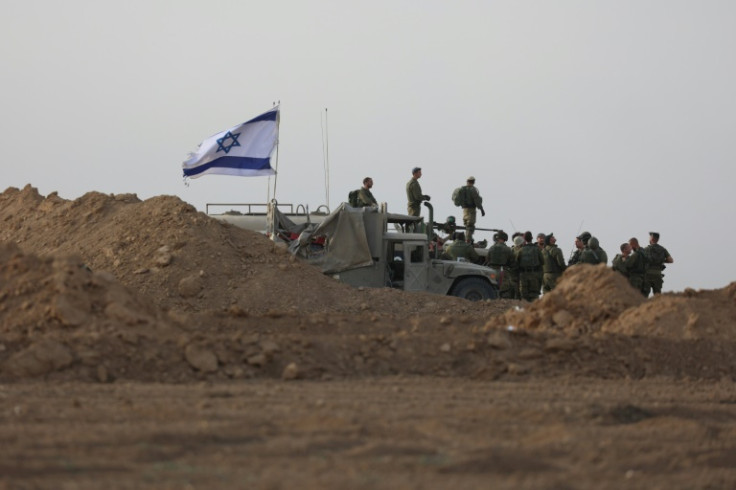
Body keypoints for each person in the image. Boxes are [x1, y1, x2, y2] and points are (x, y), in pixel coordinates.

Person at [514, 231, 544, 301]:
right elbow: (542, 261)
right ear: (532, 238)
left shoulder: (520, 250)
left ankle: (525, 311)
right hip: (534, 275)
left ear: (524, 239)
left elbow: (516, 263)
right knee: (534, 296)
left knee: (524, 296)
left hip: (523, 275)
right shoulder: (537, 249)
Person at [485, 231, 514, 298]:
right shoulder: (508, 249)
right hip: (503, 272)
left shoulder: (491, 248)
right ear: (505, 238)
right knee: (505, 291)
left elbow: (487, 259)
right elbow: (512, 262)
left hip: (491, 271)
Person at [643, 232, 673, 296]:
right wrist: (662, 261)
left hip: (647, 274)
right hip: (658, 274)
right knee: (657, 295)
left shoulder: (646, 249)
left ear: (652, 238)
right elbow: (671, 260)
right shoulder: (663, 249)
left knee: (645, 294)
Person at [460, 177, 485, 243]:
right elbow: (476, 200)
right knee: (470, 225)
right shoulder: (473, 190)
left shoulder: (463, 189)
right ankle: (467, 240)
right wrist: (481, 209)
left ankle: (468, 238)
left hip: (465, 210)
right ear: (473, 182)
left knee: (466, 225)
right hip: (471, 210)